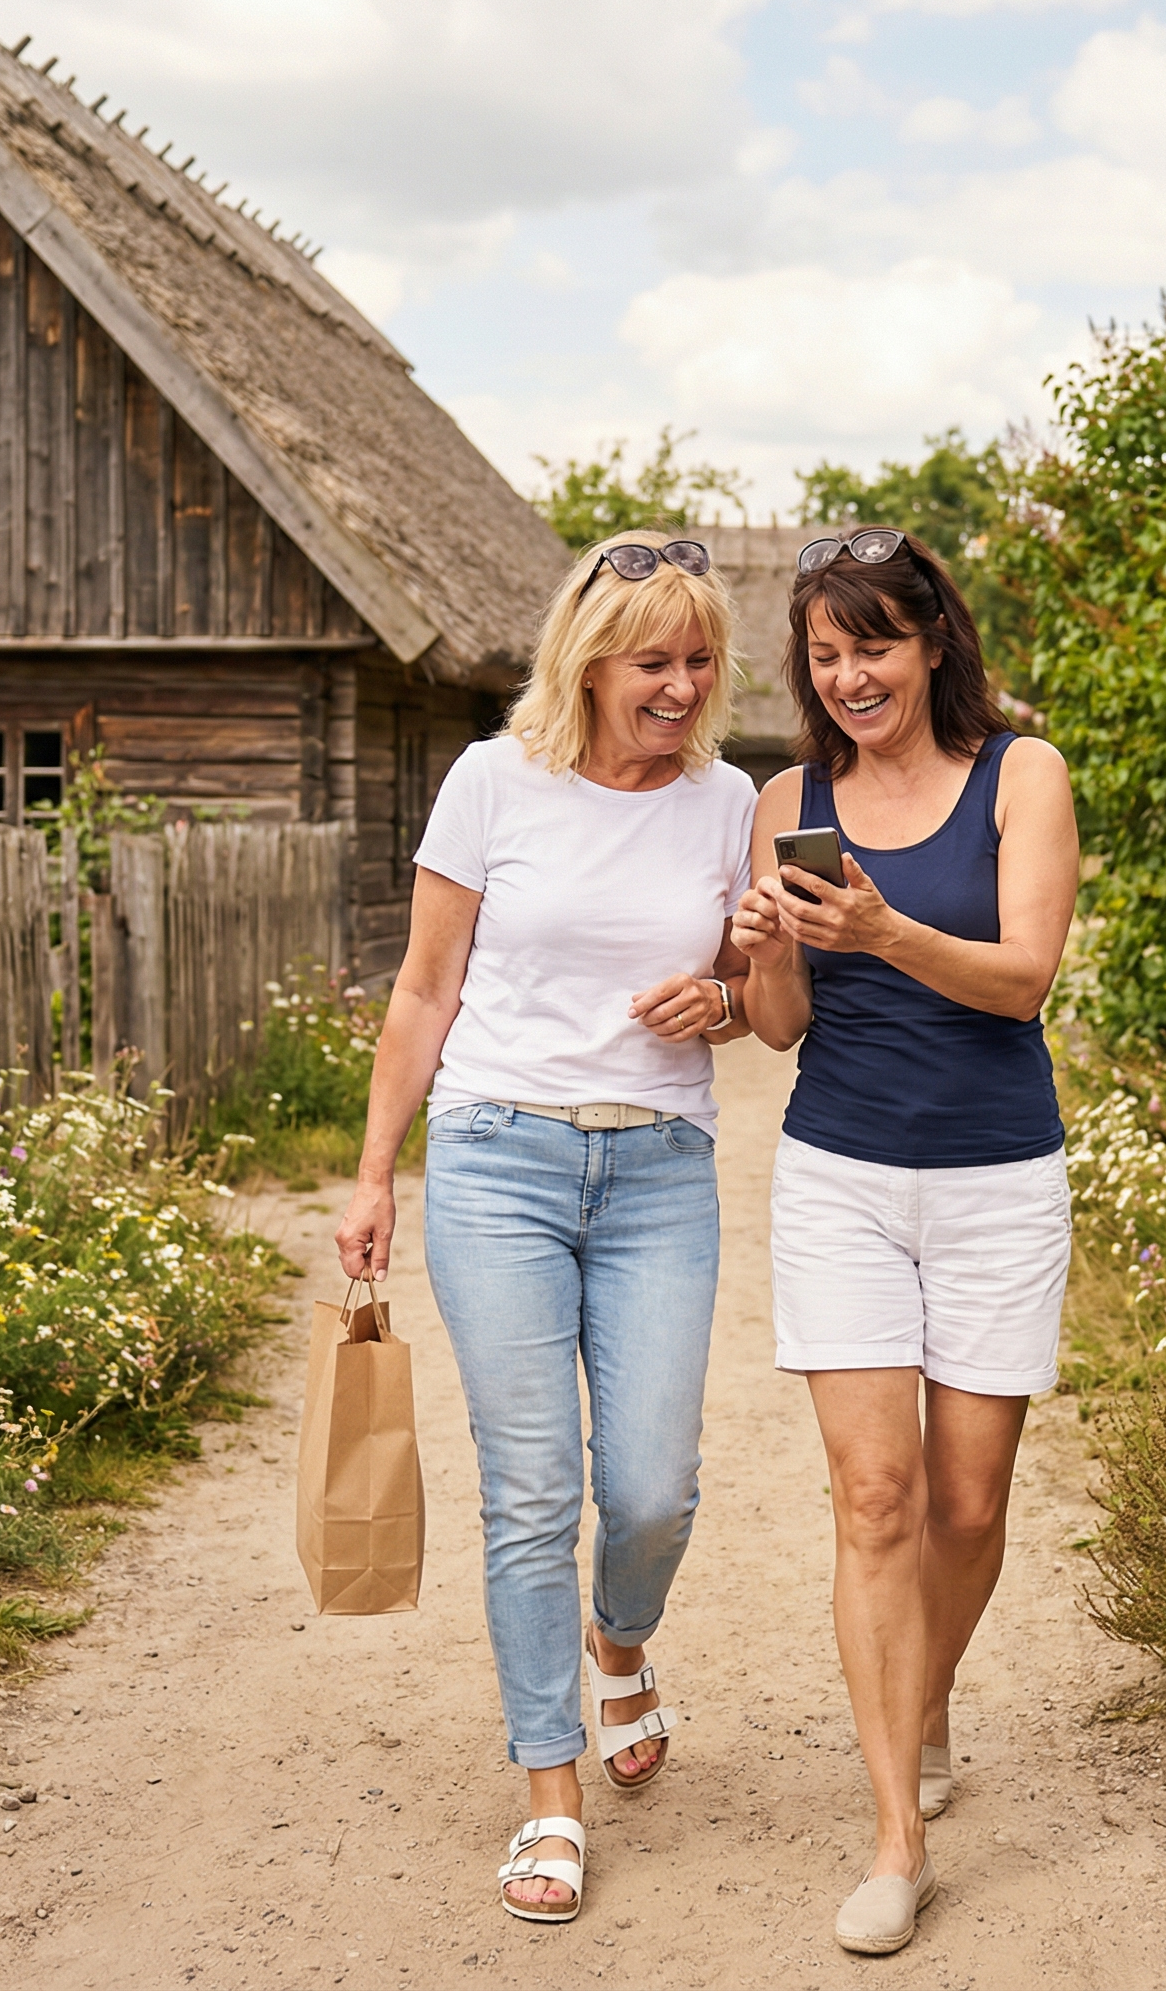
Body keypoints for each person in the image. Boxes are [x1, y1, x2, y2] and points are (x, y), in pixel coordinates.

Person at [333, 531, 757, 1928]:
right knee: (530, 1492)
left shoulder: (727, 803)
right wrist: (375, 1174)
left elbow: (762, 996)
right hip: (496, 1160)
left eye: (700, 660)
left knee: (652, 1489)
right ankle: (550, 1790)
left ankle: (619, 1646)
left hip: (659, 1169)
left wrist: (727, 1002)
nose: (683, 687)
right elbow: (423, 990)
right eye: (655, 662)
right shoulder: (490, 781)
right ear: (587, 663)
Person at [733, 528, 1079, 1957]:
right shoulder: (789, 800)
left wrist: (880, 930)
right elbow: (776, 1029)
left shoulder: (1023, 775)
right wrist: (769, 947)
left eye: (873, 644)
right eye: (826, 655)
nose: (850, 676)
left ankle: (924, 1699)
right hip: (843, 1179)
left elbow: (1024, 980)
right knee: (876, 1499)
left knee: (969, 1507)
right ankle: (897, 1838)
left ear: (934, 642)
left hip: (999, 1182)